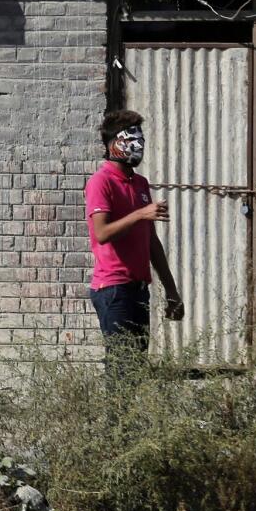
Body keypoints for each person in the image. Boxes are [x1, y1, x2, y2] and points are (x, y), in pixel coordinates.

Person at [85, 110, 184, 373]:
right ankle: (114, 416)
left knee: (136, 371)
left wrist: (171, 292)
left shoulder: (140, 183)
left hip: (139, 290)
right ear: (114, 144)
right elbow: (102, 233)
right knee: (121, 370)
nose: (138, 147)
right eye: (132, 141)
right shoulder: (100, 182)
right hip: (113, 290)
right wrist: (141, 213)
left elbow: (152, 243)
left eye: (140, 141)